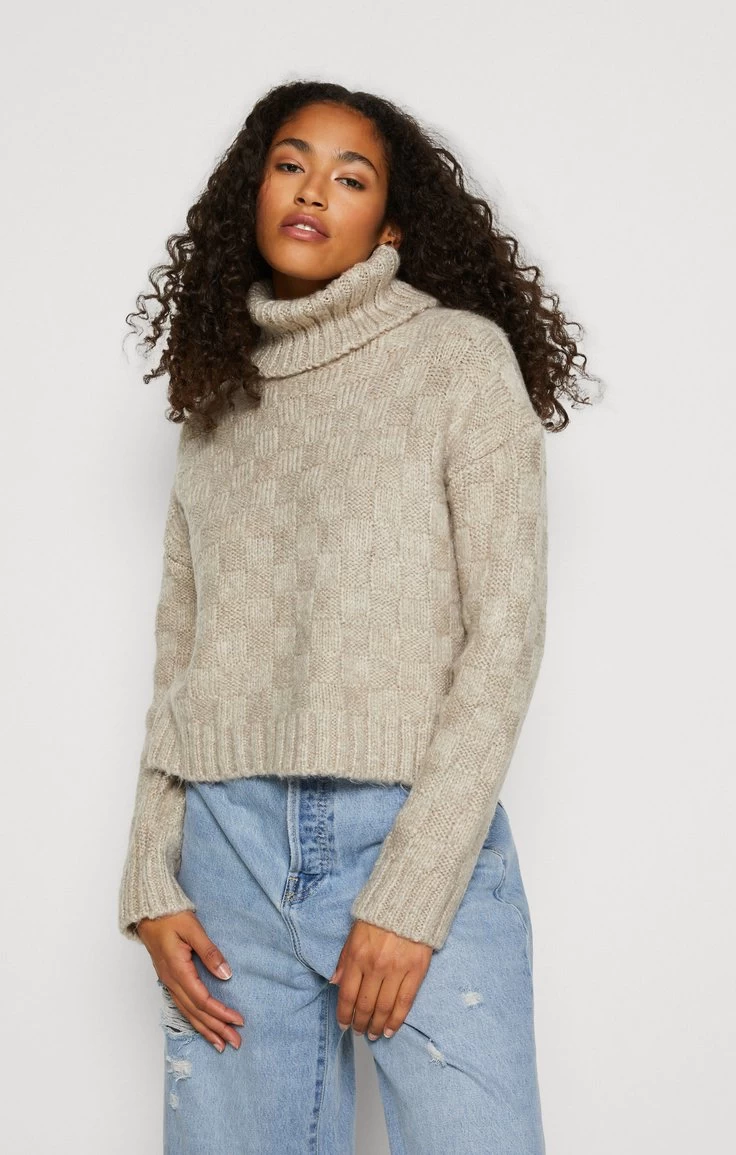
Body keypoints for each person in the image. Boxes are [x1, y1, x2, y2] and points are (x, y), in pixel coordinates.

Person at [118, 79, 596, 1154]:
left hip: (413, 830)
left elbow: (505, 636)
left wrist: (411, 892)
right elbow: (179, 655)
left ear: (389, 225)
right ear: (252, 192)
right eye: (290, 164)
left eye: (350, 176)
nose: (311, 190)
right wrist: (150, 868)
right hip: (225, 848)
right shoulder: (215, 402)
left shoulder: (458, 359)